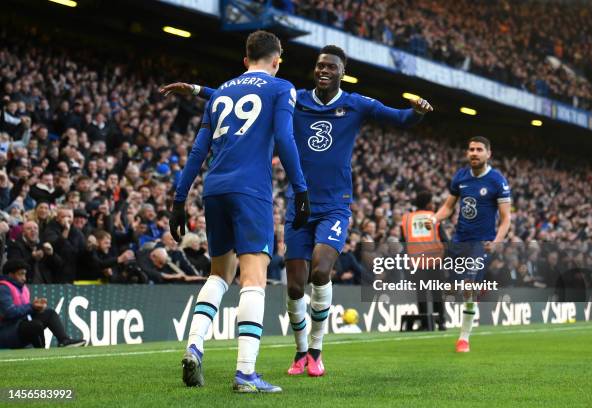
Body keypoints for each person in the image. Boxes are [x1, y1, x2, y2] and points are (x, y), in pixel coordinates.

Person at [160, 44, 432, 377]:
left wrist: (417, 110)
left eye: (331, 67)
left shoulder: (356, 104)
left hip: (334, 205)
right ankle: (301, 351)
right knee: (294, 287)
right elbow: (250, 99)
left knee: (320, 271)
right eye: (320, 66)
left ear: (342, 72)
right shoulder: (296, 97)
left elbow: (399, 118)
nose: (324, 71)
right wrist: (199, 90)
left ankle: (316, 350)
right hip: (298, 204)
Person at [169, 30, 310, 392]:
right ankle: (246, 372)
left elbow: (198, 151)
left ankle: (194, 347)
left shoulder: (221, 94)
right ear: (277, 59)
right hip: (251, 190)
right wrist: (300, 188)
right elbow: (284, 138)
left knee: (219, 274)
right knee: (253, 278)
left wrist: (179, 199)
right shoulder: (282, 88)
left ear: (245, 59)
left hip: (214, 189)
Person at [425, 136, 511, 352]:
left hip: (480, 244)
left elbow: (506, 218)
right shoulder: (461, 177)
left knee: (468, 287)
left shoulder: (497, 181)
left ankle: (464, 338)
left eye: (479, 149)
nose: (474, 152)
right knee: (455, 288)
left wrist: (497, 241)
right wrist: (435, 219)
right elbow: (448, 206)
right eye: (471, 149)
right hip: (459, 240)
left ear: (488, 154)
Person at [0, 259, 85, 349]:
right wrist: (32, 307)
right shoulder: (3, 288)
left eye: (25, 274)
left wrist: (36, 308)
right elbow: (9, 313)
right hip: (6, 332)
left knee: (49, 313)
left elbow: (25, 312)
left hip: (20, 328)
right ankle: (41, 351)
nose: (24, 278)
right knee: (35, 325)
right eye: (21, 274)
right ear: (10, 274)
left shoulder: (23, 288)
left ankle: (64, 340)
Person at [401, 190, 447, 331]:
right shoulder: (433, 217)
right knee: (437, 293)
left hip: (416, 262)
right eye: (432, 202)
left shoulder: (407, 219)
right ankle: (441, 322)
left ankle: (425, 322)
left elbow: (403, 241)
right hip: (435, 261)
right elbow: (445, 239)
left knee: (421, 293)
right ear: (428, 204)